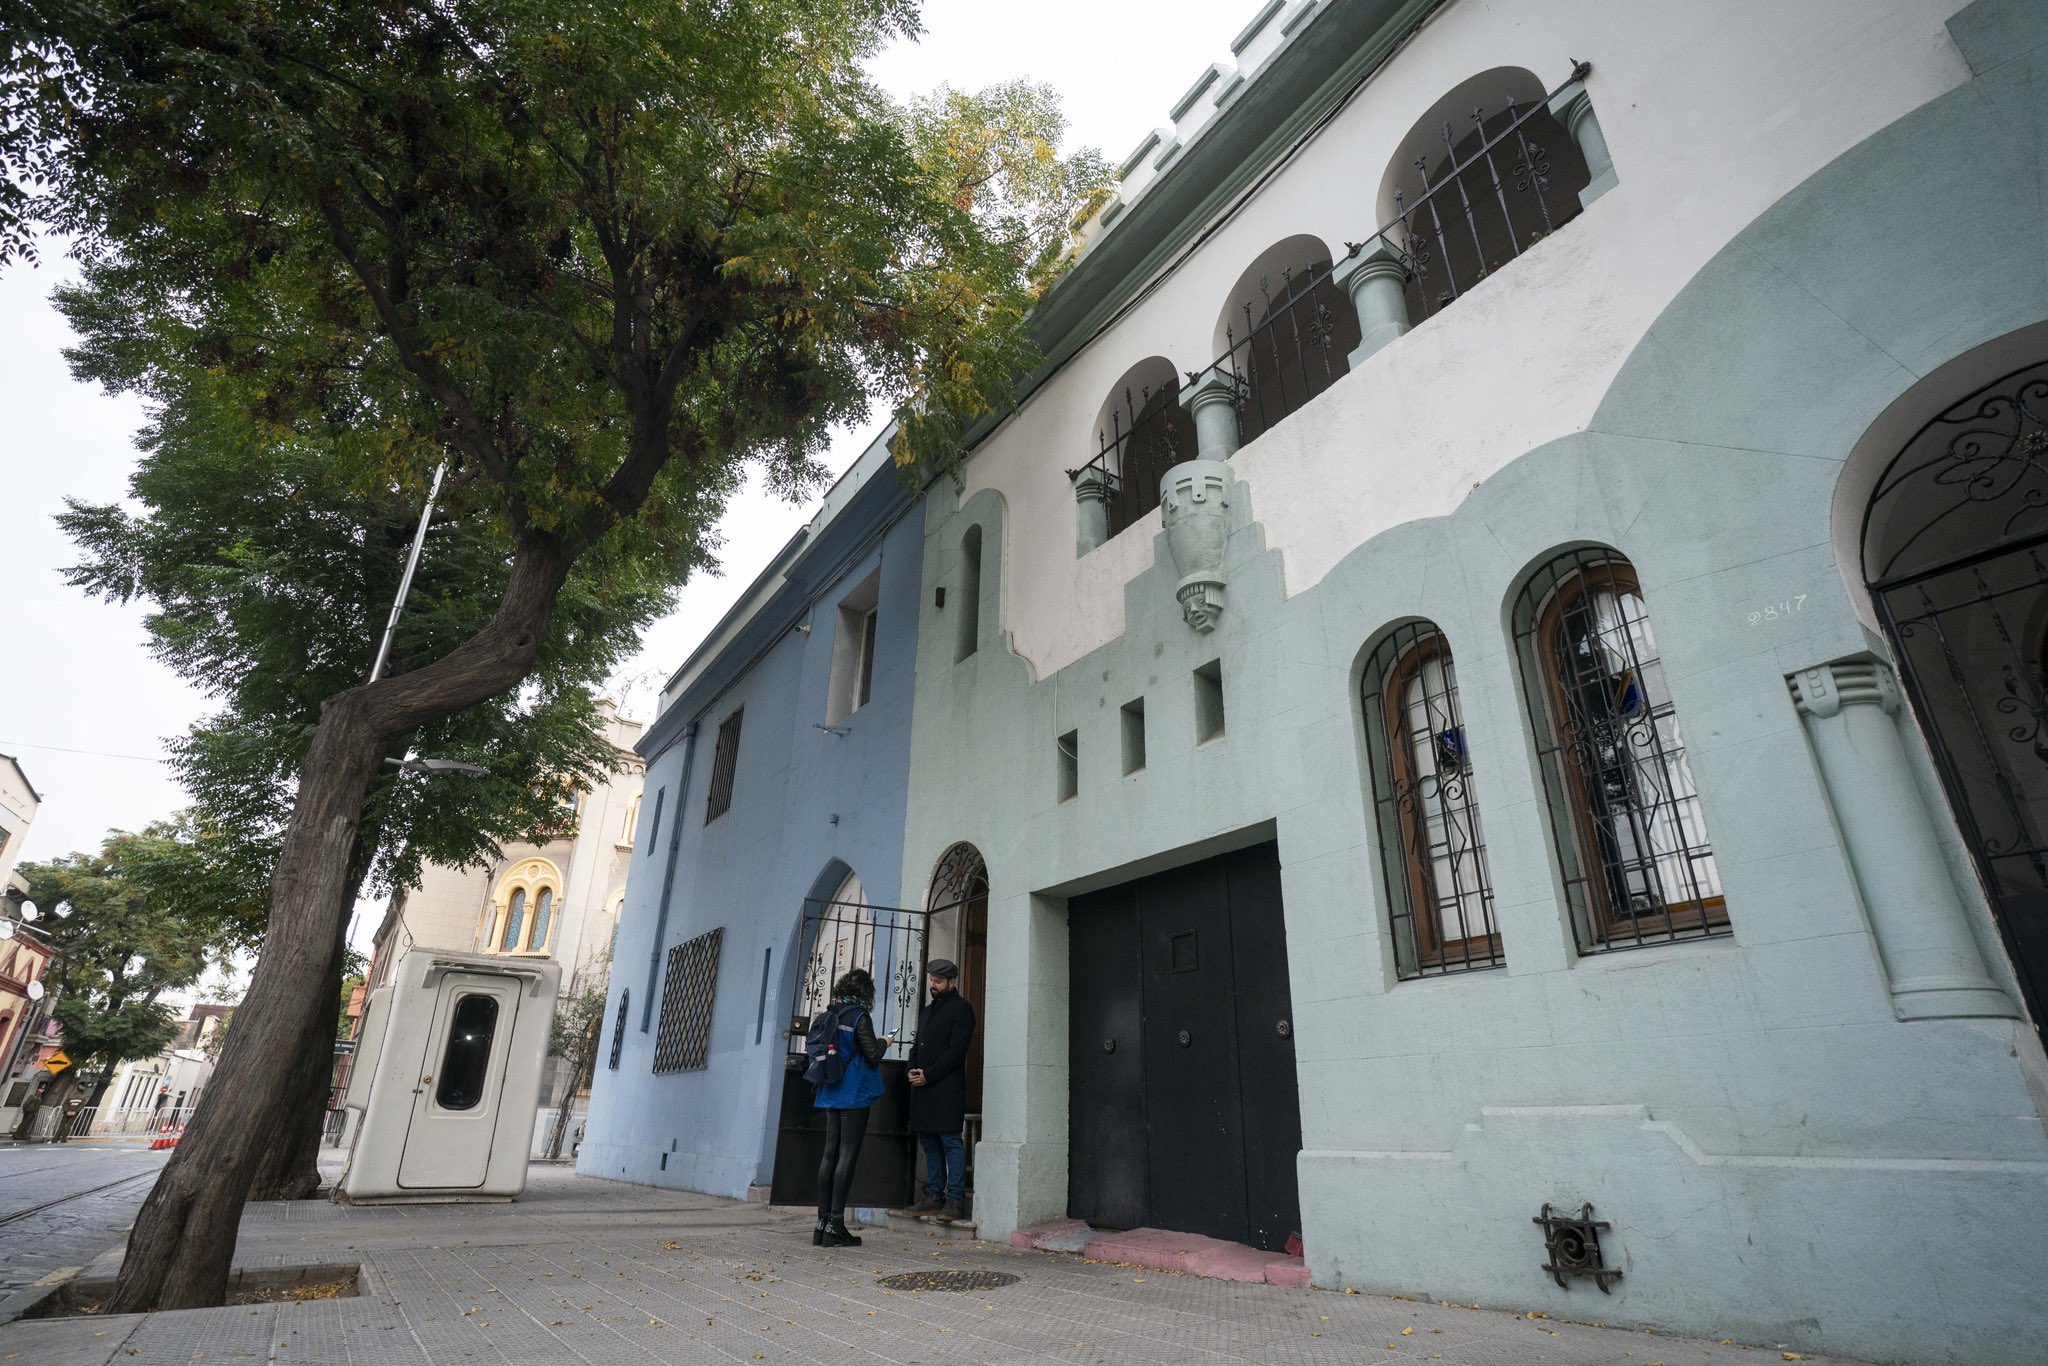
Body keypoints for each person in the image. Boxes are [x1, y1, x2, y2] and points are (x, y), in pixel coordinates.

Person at [810, 967, 891, 1247]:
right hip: (854, 1092)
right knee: (847, 1154)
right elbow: (872, 1054)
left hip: (831, 1088)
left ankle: (821, 1224)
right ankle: (836, 1224)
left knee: (829, 1154)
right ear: (865, 992)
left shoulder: (832, 1012)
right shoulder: (859, 1015)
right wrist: (886, 1041)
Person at [904, 958, 975, 1221]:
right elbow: (916, 1045)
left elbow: (957, 1051)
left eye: (938, 982)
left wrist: (929, 1075)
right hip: (922, 1087)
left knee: (950, 1142)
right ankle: (934, 1195)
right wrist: (911, 1069)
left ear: (951, 982)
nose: (933, 986)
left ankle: (955, 1199)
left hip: (945, 1087)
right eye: (931, 981)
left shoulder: (962, 1009)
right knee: (929, 1142)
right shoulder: (926, 1011)